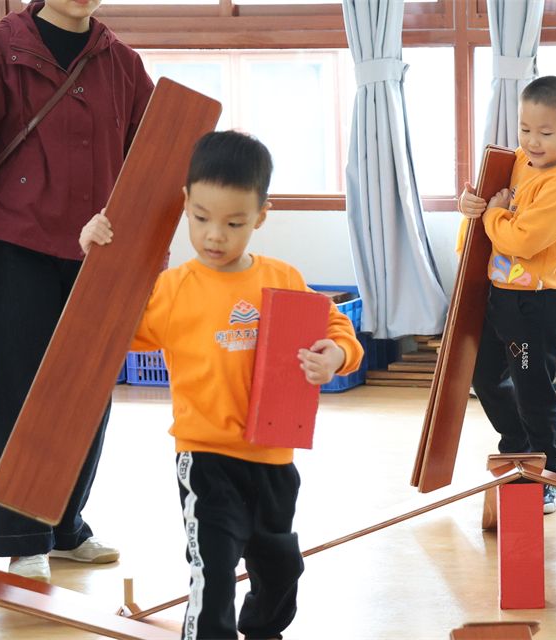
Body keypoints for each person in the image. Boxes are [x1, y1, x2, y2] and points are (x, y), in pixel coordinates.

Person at [80, 131, 364, 640]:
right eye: (201, 218)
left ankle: (263, 631)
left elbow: (337, 328)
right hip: (205, 459)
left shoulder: (282, 278)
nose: (215, 236)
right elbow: (106, 327)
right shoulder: (171, 290)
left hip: (273, 459)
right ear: (185, 204)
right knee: (212, 571)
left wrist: (336, 355)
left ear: (261, 216)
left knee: (280, 567)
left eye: (234, 223)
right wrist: (94, 256)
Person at [0, 0, 154, 581]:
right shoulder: (0, 48)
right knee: (20, 391)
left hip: (98, 251)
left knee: (89, 391)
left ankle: (64, 526)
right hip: (13, 244)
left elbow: (151, 158)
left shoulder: (123, 63)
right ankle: (22, 537)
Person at [458, 75, 556, 514]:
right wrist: (471, 206)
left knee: (533, 386)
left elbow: (522, 240)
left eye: (545, 133)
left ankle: (549, 474)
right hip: (500, 291)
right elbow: (486, 201)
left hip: (535, 303)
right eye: (525, 129)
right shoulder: (520, 160)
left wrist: (492, 215)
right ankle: (518, 452)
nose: (532, 142)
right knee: (484, 376)